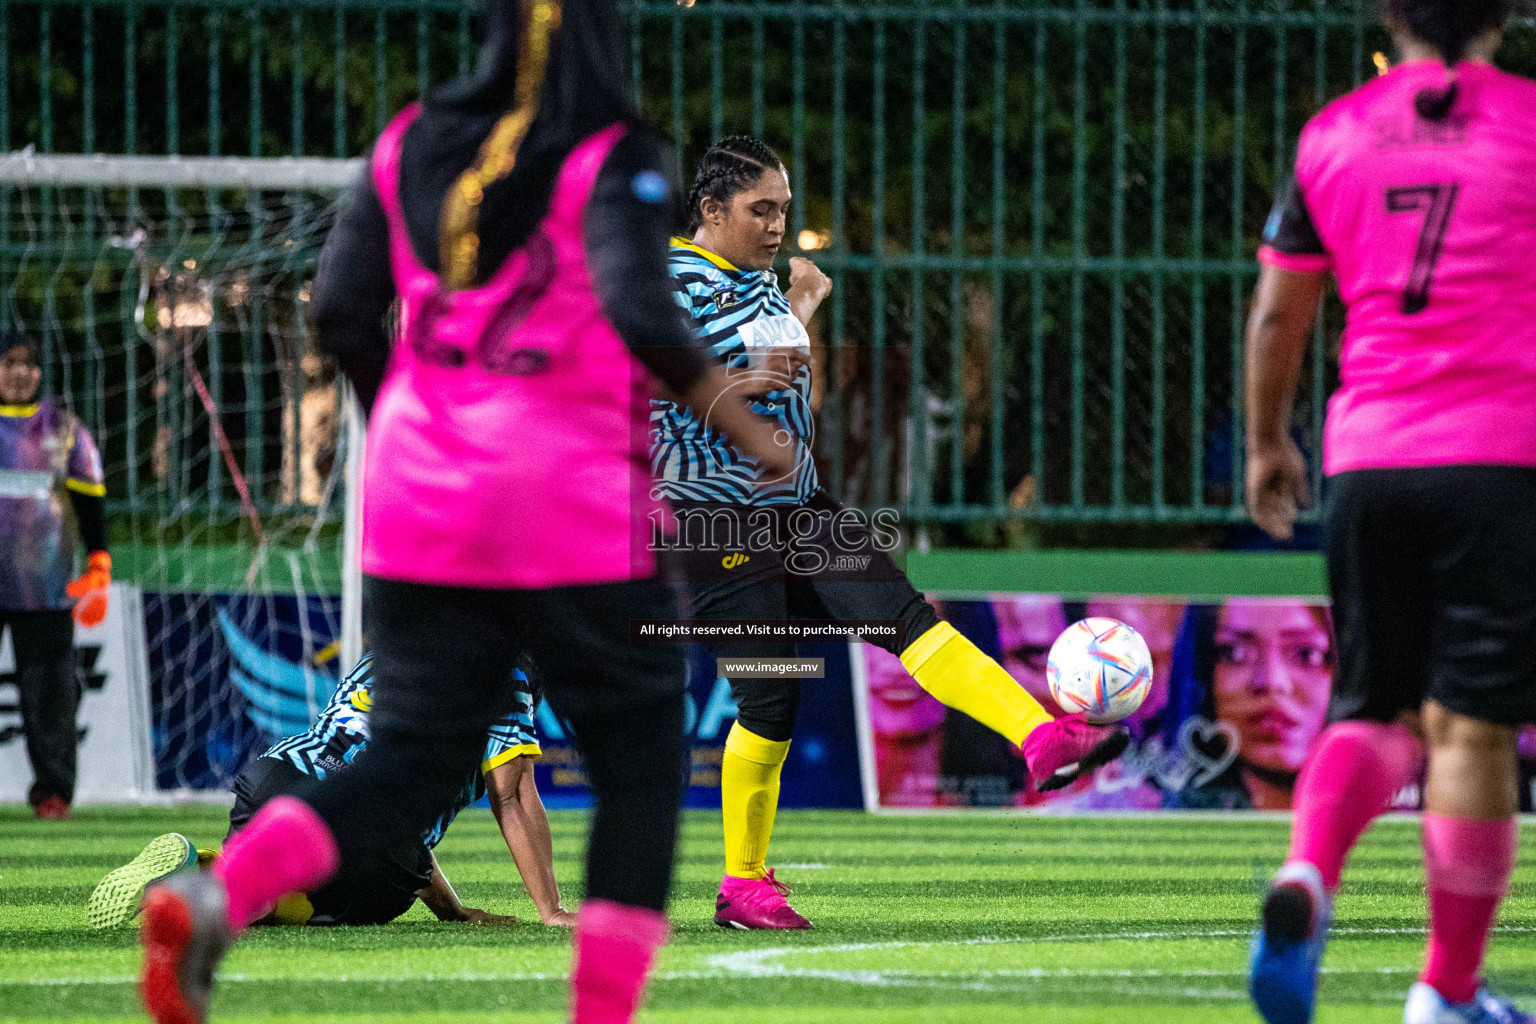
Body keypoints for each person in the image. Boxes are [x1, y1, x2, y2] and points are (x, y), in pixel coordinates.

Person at [135, 1, 794, 1022]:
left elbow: (341, 312)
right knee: (639, 761)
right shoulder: (610, 150)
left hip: (418, 502)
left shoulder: (408, 140)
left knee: (409, 760)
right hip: (568, 502)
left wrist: (413, 426)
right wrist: (739, 421)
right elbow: (635, 304)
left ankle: (224, 890)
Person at [653, 135, 1128, 930]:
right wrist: (785, 329)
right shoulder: (671, 282)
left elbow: (786, 373)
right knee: (768, 700)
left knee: (906, 618)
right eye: (760, 209)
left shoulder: (761, 281)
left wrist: (798, 305)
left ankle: (1041, 738)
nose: (777, 226)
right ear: (709, 210)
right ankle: (742, 885)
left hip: (799, 507)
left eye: (784, 210)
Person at [1244, 2, 1536, 1021]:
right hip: (1503, 456)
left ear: (1387, 13)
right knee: (1470, 731)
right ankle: (1445, 993)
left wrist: (1267, 440)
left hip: (1368, 457)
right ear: (1504, 13)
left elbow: (1282, 308)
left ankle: (1308, 871)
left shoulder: (1333, 134)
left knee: (1372, 707)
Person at [90, 653, 570, 929]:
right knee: (365, 888)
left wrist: (455, 910)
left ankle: (205, 869)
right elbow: (514, 795)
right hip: (368, 832)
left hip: (275, 780)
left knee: (275, 894)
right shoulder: (507, 667)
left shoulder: (396, 645)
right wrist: (552, 910)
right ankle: (218, 880)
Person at [0, 332, 110, 820]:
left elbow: (90, 502)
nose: (19, 372)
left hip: (43, 584)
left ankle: (53, 793)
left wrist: (99, 560)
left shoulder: (64, 428)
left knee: (50, 697)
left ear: (40, 372)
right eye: (9, 362)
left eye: (29, 363)